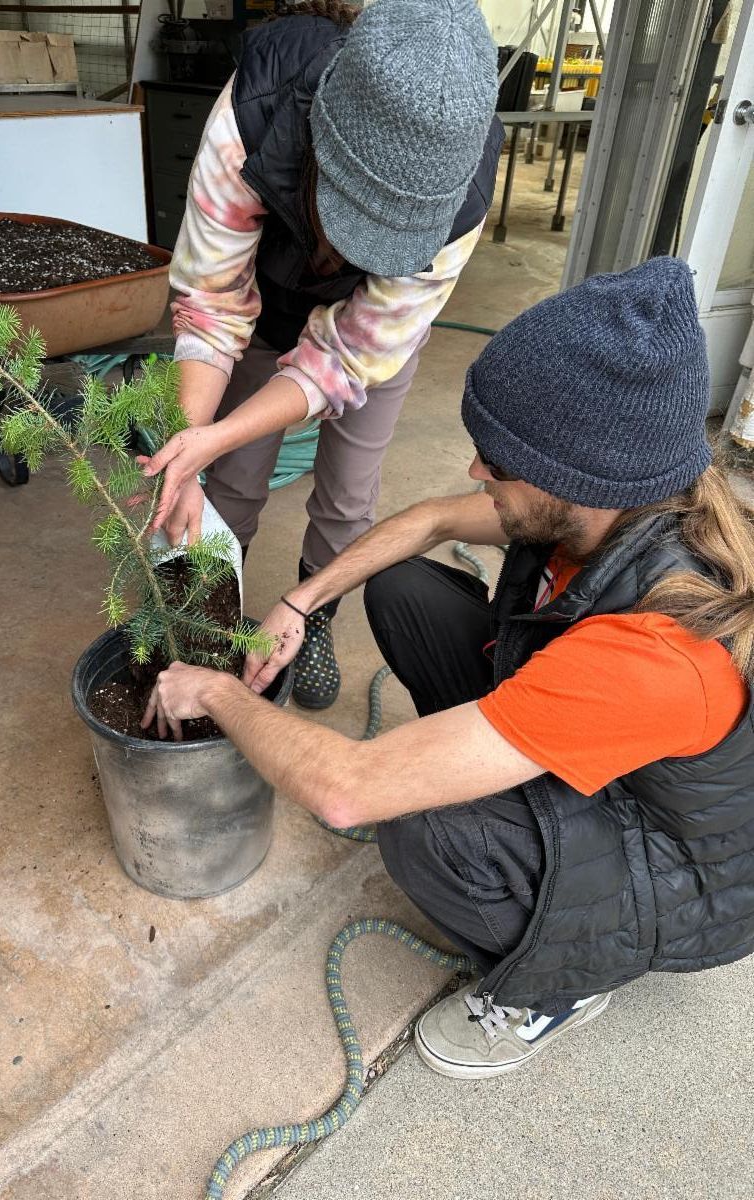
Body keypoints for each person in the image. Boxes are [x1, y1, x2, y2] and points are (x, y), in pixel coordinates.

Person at [141, 257, 754, 1079]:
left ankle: (559, 985)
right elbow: (432, 520)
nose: (476, 470)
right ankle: (490, 769)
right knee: (404, 588)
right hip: (612, 759)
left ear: (577, 477)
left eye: (497, 460)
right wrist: (302, 600)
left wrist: (216, 690)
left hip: (678, 878)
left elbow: (345, 790)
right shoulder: (620, 503)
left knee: (425, 828)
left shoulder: (659, 650)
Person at [137, 0, 504, 710]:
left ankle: (313, 619)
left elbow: (352, 355)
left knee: (349, 491)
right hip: (263, 306)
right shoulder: (255, 115)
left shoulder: (463, 188)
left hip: (373, 337)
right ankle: (211, 616)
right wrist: (193, 443)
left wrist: (218, 433)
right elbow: (213, 303)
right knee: (230, 478)